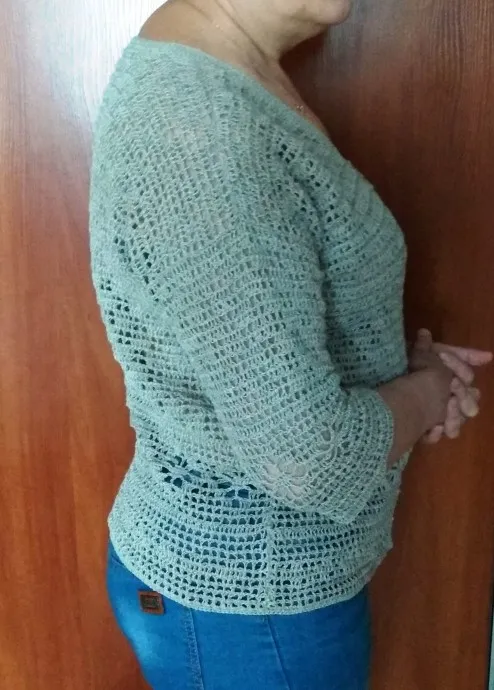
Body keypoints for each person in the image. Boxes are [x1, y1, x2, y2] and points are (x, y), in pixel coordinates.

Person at [88, 1, 492, 688]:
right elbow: (309, 460)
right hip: (249, 605)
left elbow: (264, 342)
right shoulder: (203, 130)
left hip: (257, 592)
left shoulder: (229, 77)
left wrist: (411, 376)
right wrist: (426, 395)